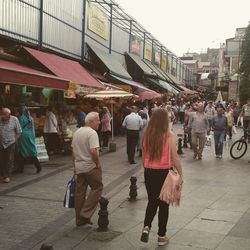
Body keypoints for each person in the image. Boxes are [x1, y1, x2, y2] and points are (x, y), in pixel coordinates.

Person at [140, 108, 183, 246]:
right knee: (164, 205)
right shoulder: (170, 135)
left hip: (149, 171)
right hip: (164, 173)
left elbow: (143, 154)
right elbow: (175, 157)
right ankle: (161, 236)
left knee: (152, 201)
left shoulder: (147, 135)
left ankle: (146, 227)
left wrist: (146, 168)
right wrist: (181, 173)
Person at [72, 112, 103, 226]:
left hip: (79, 166)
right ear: (90, 121)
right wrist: (97, 163)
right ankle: (85, 213)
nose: (99, 122)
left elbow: (73, 152)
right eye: (97, 120)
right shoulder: (92, 133)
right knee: (97, 188)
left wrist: (74, 166)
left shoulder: (77, 132)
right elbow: (93, 151)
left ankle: (79, 219)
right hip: (90, 166)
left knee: (80, 193)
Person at [14, 106, 42, 174]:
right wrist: (33, 136)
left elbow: (19, 129)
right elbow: (32, 129)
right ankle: (38, 167)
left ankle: (20, 169)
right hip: (30, 137)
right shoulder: (31, 118)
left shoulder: (21, 118)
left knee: (22, 151)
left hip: (23, 137)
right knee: (31, 152)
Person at [0, 108, 22, 183]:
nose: (2, 116)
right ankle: (4, 174)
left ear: (8, 115)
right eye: (1, 114)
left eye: (4, 114)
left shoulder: (14, 119)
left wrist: (14, 140)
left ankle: (7, 176)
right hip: (1, 143)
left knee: (9, 159)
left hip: (11, 143)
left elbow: (19, 132)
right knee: (2, 159)